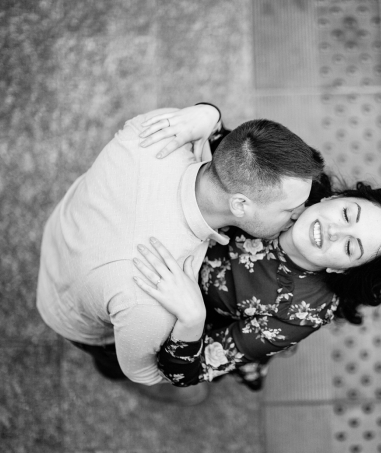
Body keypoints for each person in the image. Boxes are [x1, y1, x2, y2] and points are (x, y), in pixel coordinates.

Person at [36, 104, 324, 396]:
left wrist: (208, 112)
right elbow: (144, 372)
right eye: (290, 209)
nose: (300, 215)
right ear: (239, 205)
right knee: (112, 361)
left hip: (63, 230)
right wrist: (193, 321)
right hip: (68, 311)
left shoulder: (158, 130)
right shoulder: (148, 302)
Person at [132, 174, 381, 392]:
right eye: (347, 214)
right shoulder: (296, 182)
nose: (335, 231)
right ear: (332, 199)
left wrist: (191, 320)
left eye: (350, 248)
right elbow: (233, 148)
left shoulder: (302, 314)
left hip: (201, 319)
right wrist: (207, 115)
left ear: (343, 270)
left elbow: (183, 373)